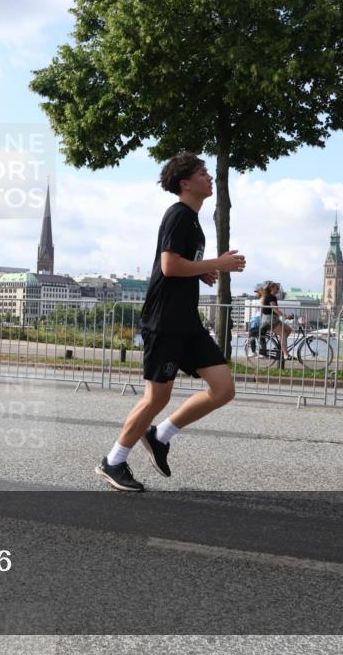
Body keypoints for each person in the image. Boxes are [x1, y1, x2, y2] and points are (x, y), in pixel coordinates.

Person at [96, 152, 246, 491]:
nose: (210, 178)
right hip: (164, 320)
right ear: (185, 183)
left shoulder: (193, 221)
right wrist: (218, 264)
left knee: (223, 388)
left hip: (187, 321)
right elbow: (169, 266)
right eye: (203, 173)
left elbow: (180, 265)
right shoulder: (178, 215)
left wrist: (203, 271)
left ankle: (160, 435)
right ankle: (113, 461)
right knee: (156, 398)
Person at [261, 281, 294, 361]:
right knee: (283, 333)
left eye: (278, 288)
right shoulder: (269, 297)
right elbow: (275, 309)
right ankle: (285, 354)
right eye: (277, 288)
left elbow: (275, 311)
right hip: (269, 321)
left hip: (274, 319)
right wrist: (286, 316)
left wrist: (284, 316)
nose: (278, 290)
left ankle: (280, 348)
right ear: (272, 288)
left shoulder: (273, 297)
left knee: (288, 330)